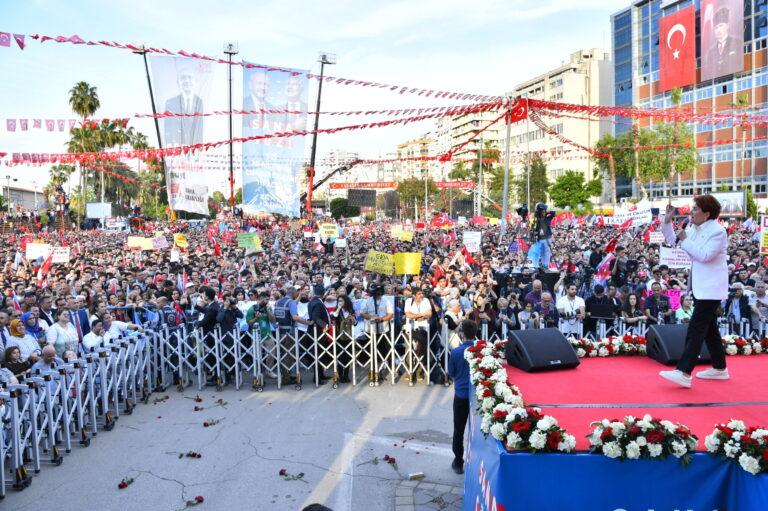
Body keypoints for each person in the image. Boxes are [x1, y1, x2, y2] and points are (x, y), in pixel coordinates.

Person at [660, 196, 729, 388]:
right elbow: (673, 240)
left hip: (712, 288)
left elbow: (705, 255)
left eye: (696, 209)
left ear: (707, 213)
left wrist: (684, 239)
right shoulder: (692, 227)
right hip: (700, 286)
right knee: (710, 329)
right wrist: (667, 221)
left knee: (696, 328)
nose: (691, 212)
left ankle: (684, 372)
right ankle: (720, 368)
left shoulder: (718, 231)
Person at [447, 320, 477, 475]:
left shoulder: (457, 352)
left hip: (461, 395)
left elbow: (451, 373)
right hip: (477, 397)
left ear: (462, 334)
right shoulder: (480, 351)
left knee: (459, 429)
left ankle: (458, 461)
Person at [164, 64, 204, 146]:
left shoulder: (199, 102)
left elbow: (200, 128)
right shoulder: (170, 103)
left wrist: (199, 146)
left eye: (189, 77)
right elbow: (167, 129)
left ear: (195, 81)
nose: (186, 80)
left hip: (193, 147)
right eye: (183, 78)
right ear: (178, 82)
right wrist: (169, 145)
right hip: (176, 147)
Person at [704, 6, 741, 80]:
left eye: (721, 26)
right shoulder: (711, 52)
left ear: (727, 26)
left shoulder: (737, 43)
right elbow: (708, 74)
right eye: (716, 27)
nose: (718, 30)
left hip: (734, 80)